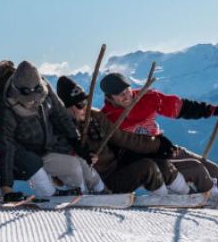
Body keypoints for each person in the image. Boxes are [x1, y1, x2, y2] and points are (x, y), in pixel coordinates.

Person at [98, 72, 218, 197]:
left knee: (212, 167)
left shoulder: (147, 98)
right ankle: (212, 198)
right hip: (144, 158)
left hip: (162, 146)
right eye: (119, 94)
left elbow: (179, 107)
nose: (126, 95)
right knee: (195, 168)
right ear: (109, 97)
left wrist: (211, 110)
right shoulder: (107, 118)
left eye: (127, 90)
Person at [0, 61, 105, 201]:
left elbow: (61, 116)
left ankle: (98, 192)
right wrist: (6, 186)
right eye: (28, 100)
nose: (32, 103)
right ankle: (73, 197)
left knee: (81, 163)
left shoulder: (44, 86)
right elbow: (6, 147)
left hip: (49, 145)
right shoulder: (5, 107)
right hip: (26, 154)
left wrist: (77, 143)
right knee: (69, 168)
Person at [57, 77, 188, 195]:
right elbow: (62, 161)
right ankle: (163, 200)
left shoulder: (95, 117)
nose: (85, 107)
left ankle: (186, 194)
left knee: (161, 164)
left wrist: (158, 144)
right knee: (147, 168)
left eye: (86, 102)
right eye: (80, 105)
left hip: (116, 168)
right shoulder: (62, 130)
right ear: (66, 108)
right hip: (101, 181)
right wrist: (85, 157)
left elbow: (124, 139)